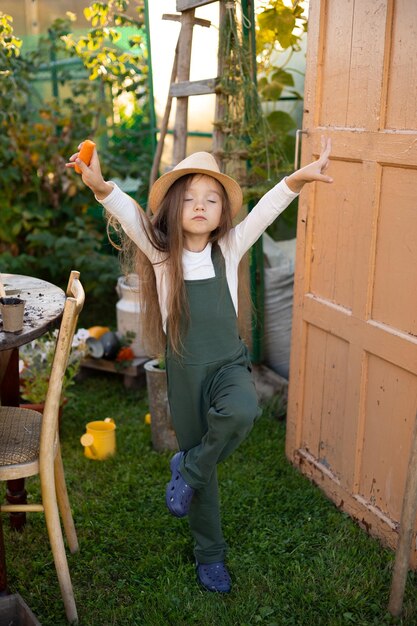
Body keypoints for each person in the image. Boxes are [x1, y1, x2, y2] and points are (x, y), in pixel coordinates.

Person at [66, 138, 332, 593]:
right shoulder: (161, 253)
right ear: (172, 207)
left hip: (229, 363)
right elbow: (128, 213)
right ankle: (210, 555)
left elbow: (267, 210)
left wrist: (297, 180)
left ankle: (186, 468)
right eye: (189, 198)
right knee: (205, 479)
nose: (201, 206)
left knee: (243, 412)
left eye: (211, 200)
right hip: (185, 370)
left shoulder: (229, 247)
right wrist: (99, 186)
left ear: (222, 213)